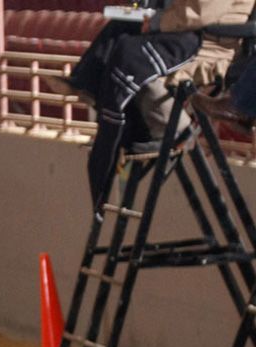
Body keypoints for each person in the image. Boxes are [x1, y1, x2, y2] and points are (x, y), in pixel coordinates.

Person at [53, 0, 254, 212]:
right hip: (190, 28)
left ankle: (148, 128)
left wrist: (158, 21)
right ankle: (91, 90)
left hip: (206, 41)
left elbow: (198, 12)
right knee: (121, 28)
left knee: (128, 52)